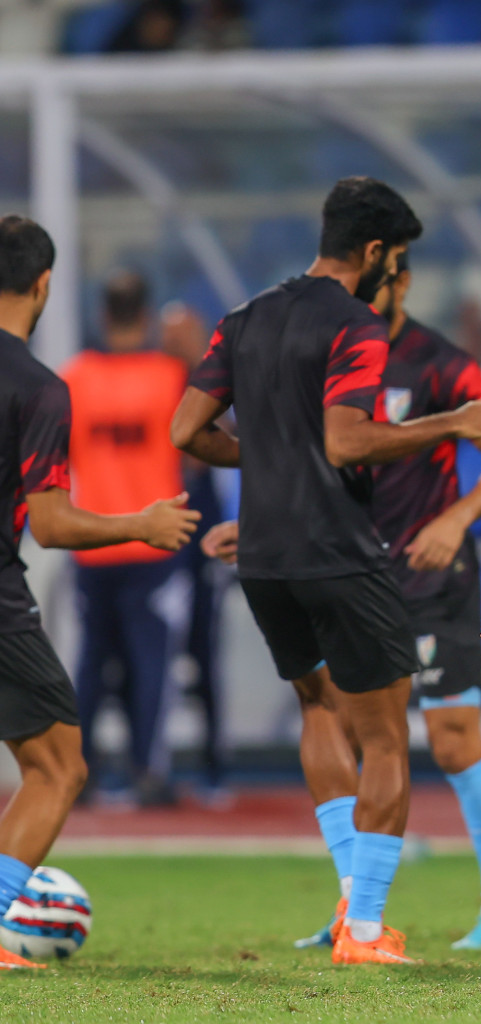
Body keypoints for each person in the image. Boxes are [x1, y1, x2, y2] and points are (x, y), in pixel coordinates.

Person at [169, 177, 481, 965]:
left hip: (262, 555)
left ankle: (348, 904)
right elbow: (349, 442)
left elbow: (187, 429)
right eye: (398, 256)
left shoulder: (243, 318)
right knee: (385, 739)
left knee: (318, 712)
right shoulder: (357, 324)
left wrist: (275, 468)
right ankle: (363, 929)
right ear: (375, 251)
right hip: (339, 555)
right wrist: (451, 423)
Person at [0, 215, 198, 970]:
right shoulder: (45, 386)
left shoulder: (78, 375)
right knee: (60, 767)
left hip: (94, 574)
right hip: (70, 571)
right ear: (44, 284)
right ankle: (151, 778)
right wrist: (142, 521)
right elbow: (48, 523)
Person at [61, 271, 190, 807]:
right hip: (155, 541)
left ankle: (78, 772)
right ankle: (148, 772)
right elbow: (198, 447)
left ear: (102, 314)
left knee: (90, 662)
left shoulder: (73, 378)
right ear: (145, 314)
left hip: (92, 539)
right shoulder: (171, 377)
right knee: (150, 664)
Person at [161, 300, 231, 800]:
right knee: (149, 650)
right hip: (162, 516)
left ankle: (211, 765)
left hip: (201, 521)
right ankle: (152, 762)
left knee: (204, 649)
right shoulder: (155, 381)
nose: (176, 345)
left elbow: (223, 445)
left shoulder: (220, 384)